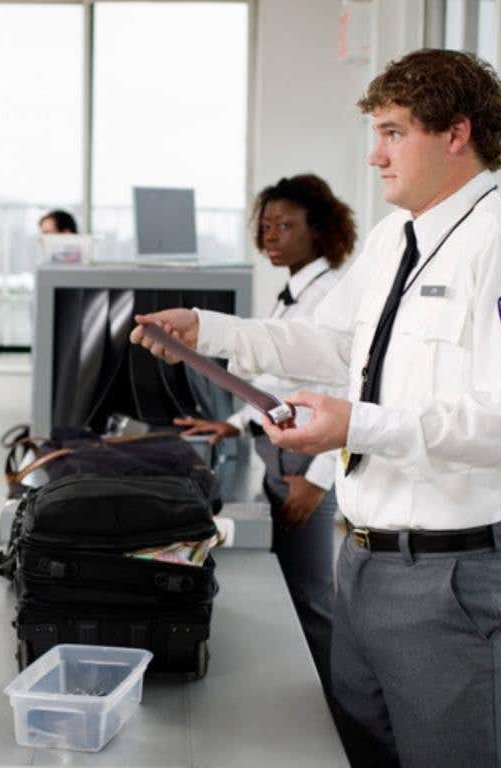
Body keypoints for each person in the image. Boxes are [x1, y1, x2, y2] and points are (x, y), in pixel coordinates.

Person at [132, 49, 501, 767]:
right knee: (362, 747)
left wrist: (356, 425)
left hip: (450, 578)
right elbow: (334, 344)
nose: (375, 155)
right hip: (364, 559)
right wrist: (207, 332)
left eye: (394, 132)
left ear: (455, 133)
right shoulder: (394, 239)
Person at [174, 174, 355, 697]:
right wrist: (231, 422)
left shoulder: (331, 296)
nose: (272, 235)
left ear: (318, 231)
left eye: (286, 225)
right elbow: (279, 381)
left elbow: (349, 391)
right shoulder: (293, 292)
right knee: (295, 592)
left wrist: (318, 483)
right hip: (280, 462)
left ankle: (334, 717)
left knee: (312, 599)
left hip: (307, 469)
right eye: (267, 225)